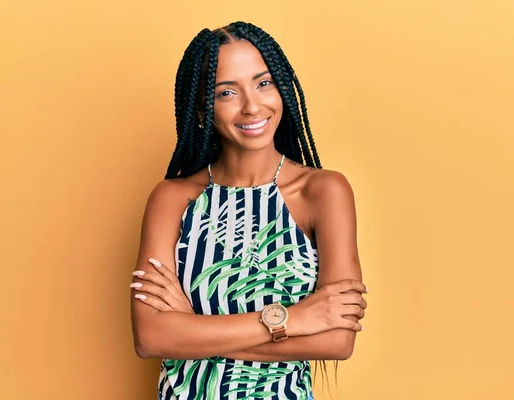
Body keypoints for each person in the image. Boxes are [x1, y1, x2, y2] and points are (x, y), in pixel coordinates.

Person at [129, 21, 367, 400]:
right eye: (227, 92)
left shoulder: (322, 192)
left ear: (281, 89)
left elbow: (337, 341)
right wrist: (294, 319)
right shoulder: (172, 199)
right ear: (204, 108)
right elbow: (151, 337)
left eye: (263, 83)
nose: (252, 105)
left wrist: (191, 331)